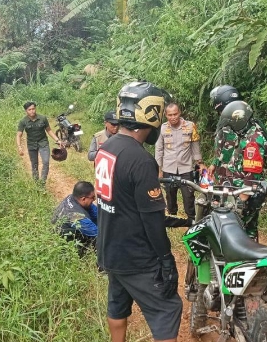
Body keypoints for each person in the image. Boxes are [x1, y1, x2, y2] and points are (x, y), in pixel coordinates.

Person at [94, 81, 182, 342]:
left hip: (110, 249)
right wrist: (166, 258)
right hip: (136, 256)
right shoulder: (141, 160)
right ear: (152, 113)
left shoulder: (106, 148)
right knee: (168, 308)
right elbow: (152, 219)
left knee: (118, 305)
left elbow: (114, 200)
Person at [213, 100, 267, 240]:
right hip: (237, 189)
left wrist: (241, 201)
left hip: (246, 193)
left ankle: (248, 257)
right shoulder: (243, 133)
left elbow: (253, 174)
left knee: (243, 231)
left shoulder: (254, 140)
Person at [155, 102, 203, 220]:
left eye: (175, 114)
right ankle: (172, 218)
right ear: (166, 115)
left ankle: (191, 220)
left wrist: (200, 163)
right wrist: (159, 169)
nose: (173, 117)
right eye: (170, 115)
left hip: (186, 168)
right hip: (168, 168)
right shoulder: (162, 128)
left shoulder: (190, 126)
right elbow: (159, 149)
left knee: (189, 196)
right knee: (170, 196)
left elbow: (195, 146)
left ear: (179, 113)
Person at [16, 101, 64, 185]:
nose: (32, 111)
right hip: (31, 145)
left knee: (46, 162)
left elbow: (49, 130)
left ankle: (42, 183)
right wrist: (19, 147)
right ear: (26, 111)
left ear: (35, 109)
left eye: (33, 109)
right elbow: (19, 135)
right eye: (29, 109)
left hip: (43, 143)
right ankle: (36, 183)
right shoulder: (23, 121)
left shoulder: (42, 118)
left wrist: (57, 140)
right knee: (34, 164)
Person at [50, 181, 98, 256]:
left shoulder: (73, 197)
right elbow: (97, 233)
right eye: (93, 197)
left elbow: (97, 213)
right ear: (83, 199)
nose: (94, 199)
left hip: (61, 229)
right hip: (66, 243)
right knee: (98, 238)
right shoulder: (76, 216)